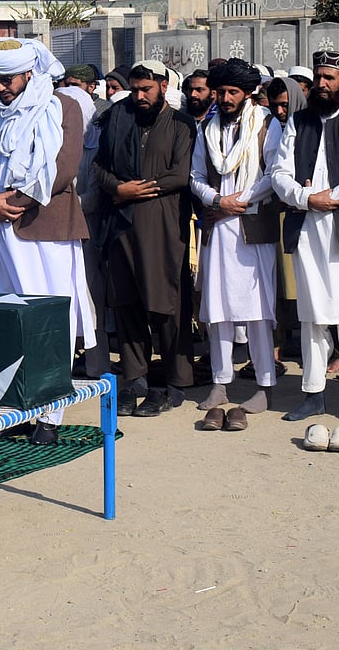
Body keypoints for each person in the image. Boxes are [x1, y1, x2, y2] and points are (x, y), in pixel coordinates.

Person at [0, 39, 96, 442]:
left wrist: (13, 202)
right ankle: (17, 408)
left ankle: (50, 414)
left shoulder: (62, 106)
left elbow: (63, 168)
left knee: (48, 321)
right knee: (10, 321)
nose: (2, 88)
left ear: (29, 74)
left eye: (9, 80)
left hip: (46, 229)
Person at [272, 51, 339, 425]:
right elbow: (279, 173)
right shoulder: (298, 121)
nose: (321, 84)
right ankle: (313, 394)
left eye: (330, 78)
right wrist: (306, 198)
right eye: (319, 77)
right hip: (307, 228)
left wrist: (327, 197)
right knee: (312, 315)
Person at [93, 61, 196, 416]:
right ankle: (135, 377)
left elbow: (180, 174)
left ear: (163, 87)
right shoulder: (117, 118)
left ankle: (175, 381)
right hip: (122, 223)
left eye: (146, 90)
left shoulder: (181, 124)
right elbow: (99, 166)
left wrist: (137, 189)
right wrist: (118, 188)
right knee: (126, 302)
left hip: (163, 225)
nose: (139, 96)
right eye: (135, 89)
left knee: (165, 303)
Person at [189, 59, 282, 424]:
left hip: (251, 226)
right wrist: (216, 200)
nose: (225, 99)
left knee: (257, 309)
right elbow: (196, 175)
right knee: (218, 309)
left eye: (233, 92)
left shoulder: (267, 124)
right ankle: (220, 381)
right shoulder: (208, 128)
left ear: (247, 93)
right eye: (221, 92)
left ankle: (264, 384)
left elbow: (274, 175)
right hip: (217, 226)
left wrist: (237, 201)